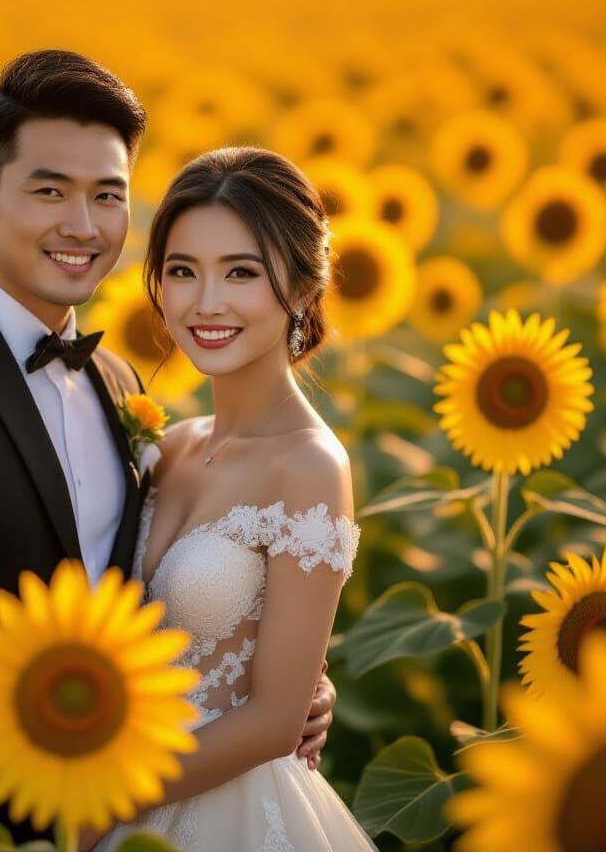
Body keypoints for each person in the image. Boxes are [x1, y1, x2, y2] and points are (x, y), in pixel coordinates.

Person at [0, 50, 336, 850]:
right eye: (50, 190)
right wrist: (22, 814)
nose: (83, 226)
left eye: (108, 196)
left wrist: (287, 683)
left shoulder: (120, 386)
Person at [92, 147, 378, 851]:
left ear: (304, 289)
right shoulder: (168, 445)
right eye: (183, 271)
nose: (206, 302)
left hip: (223, 811)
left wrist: (95, 807)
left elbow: (278, 718)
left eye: (241, 273)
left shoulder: (310, 466)